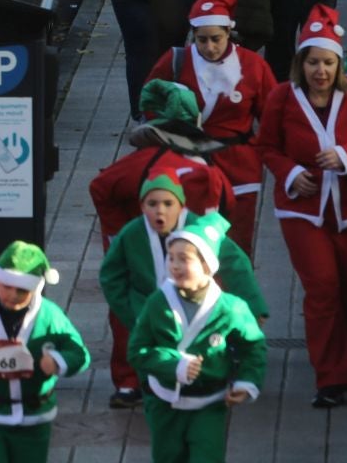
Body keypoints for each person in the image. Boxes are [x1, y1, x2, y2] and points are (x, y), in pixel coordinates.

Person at [254, 5, 347, 407]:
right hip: (303, 211)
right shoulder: (283, 97)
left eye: (328, 62)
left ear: (339, 63)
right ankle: (329, 378)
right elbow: (266, 146)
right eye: (313, 62)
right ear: (301, 62)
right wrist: (288, 173)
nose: (320, 70)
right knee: (322, 288)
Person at [99, 163, 267, 413]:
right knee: (152, 365)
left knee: (201, 358)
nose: (160, 211)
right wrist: (133, 311)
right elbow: (111, 275)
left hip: (195, 309)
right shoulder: (132, 233)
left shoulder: (198, 230)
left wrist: (255, 306)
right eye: (152, 204)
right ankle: (157, 406)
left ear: (181, 205)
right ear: (141, 206)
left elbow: (235, 265)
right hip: (149, 310)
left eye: (168, 203)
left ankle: (203, 400)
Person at [145, 0, 279, 254]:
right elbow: (150, 102)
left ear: (229, 32)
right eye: (201, 39)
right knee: (191, 240)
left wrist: (272, 158)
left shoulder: (253, 65)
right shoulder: (175, 61)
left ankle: (235, 292)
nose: (209, 47)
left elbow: (272, 117)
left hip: (241, 165)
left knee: (238, 243)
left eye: (216, 39)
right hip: (189, 163)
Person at [128, 213, 267, 460]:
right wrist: (173, 364)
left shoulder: (231, 308)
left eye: (184, 259)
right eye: (171, 258)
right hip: (164, 402)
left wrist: (246, 381)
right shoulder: (157, 303)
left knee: (207, 456)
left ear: (207, 265)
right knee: (167, 457)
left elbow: (253, 347)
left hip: (210, 402)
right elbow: (137, 350)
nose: (175, 265)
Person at [0, 241, 91, 460]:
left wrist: (58, 361)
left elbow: (80, 353)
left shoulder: (50, 316)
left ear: (35, 288)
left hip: (34, 417)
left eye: (22, 290)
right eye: (7, 286)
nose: (12, 295)